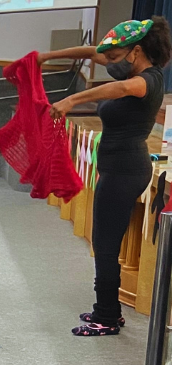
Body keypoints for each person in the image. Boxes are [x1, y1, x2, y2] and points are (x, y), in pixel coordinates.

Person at [45, 17, 172, 335]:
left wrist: (72, 99)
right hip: (119, 168)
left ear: (136, 51)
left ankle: (106, 317)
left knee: (105, 245)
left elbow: (123, 88)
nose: (110, 63)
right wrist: (48, 56)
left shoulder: (147, 81)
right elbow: (94, 51)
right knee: (106, 242)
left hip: (125, 171)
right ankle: (108, 311)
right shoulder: (134, 70)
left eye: (116, 57)